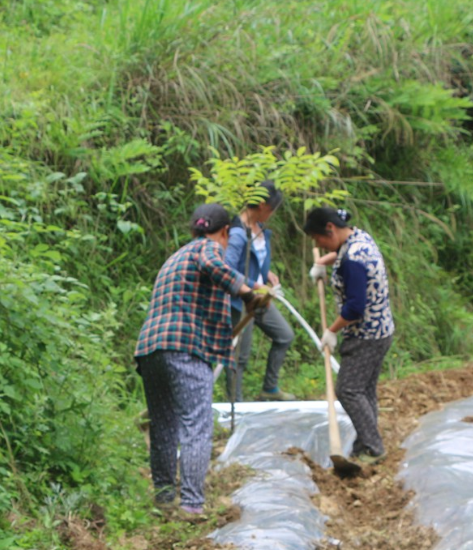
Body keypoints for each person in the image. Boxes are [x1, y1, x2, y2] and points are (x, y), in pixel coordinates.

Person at [135, 204, 266, 516]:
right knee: (196, 424)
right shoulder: (208, 248)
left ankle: (165, 499)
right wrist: (247, 294)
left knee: (164, 425)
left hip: (152, 348)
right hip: (185, 347)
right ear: (224, 233)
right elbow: (213, 264)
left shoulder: (175, 257)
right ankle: (192, 504)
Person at [302, 206, 394, 462]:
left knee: (349, 390)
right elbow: (342, 253)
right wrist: (323, 261)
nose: (318, 243)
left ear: (330, 229)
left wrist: (331, 330)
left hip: (366, 335)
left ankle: (373, 447)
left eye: (318, 238)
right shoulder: (358, 238)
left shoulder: (353, 260)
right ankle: (365, 444)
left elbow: (354, 308)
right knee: (364, 390)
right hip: (381, 331)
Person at [224, 181, 295, 402]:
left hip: (262, 298)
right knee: (239, 356)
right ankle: (235, 407)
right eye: (272, 209)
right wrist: (255, 285)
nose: (273, 214)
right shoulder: (238, 233)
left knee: (284, 336)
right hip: (242, 300)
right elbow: (227, 270)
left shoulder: (260, 230)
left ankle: (269, 388)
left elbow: (255, 259)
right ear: (262, 205)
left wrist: (268, 274)